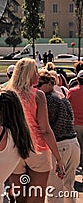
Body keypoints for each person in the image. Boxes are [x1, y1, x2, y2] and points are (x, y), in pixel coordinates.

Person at [7, 58, 64, 203]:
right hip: (37, 148)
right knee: (37, 197)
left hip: (13, 148)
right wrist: (58, 158)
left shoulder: (6, 93)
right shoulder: (38, 95)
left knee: (20, 197)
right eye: (35, 71)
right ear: (28, 74)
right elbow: (45, 129)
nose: (38, 74)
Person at [37, 69, 80, 203]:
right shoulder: (62, 97)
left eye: (39, 85)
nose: (36, 88)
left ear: (48, 84)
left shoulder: (47, 101)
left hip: (60, 146)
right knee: (68, 188)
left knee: (54, 191)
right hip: (73, 144)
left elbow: (45, 127)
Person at [67, 70, 83, 169]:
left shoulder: (72, 92)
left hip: (76, 124)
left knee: (79, 148)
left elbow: (67, 107)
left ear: (77, 79)